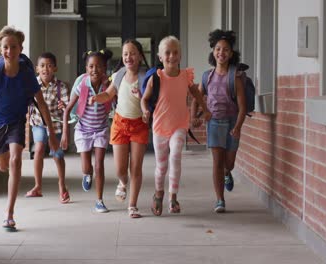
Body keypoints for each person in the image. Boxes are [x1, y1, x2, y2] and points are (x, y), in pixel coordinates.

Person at [0, 26, 58, 229]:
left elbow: (42, 104)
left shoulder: (27, 74)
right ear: (0, 49)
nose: (9, 51)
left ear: (20, 49)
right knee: (3, 166)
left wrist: (51, 134)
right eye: (5, 47)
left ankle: (9, 213)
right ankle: (9, 200)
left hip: (17, 121)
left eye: (13, 47)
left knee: (15, 160)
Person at [141, 36, 210, 216]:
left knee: (176, 155)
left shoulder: (185, 76)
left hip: (179, 124)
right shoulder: (157, 78)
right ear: (161, 57)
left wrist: (205, 109)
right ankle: (158, 194)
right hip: (160, 127)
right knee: (161, 166)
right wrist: (145, 111)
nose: (172, 56)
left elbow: (196, 92)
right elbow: (145, 99)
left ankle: (173, 197)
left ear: (180, 55)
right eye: (167, 53)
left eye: (175, 52)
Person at [89, 39, 149, 218]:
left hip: (139, 125)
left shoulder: (146, 77)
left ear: (139, 56)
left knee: (136, 168)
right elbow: (109, 94)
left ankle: (132, 205)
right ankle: (122, 183)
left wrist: (147, 112)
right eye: (125, 54)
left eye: (132, 53)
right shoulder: (118, 75)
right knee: (120, 170)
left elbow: (149, 100)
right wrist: (96, 98)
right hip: (120, 124)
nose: (128, 57)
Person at [192, 29, 246, 213]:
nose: (221, 53)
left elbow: (243, 107)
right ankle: (220, 200)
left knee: (228, 163)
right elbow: (196, 97)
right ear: (213, 52)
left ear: (231, 54)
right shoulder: (207, 76)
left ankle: (227, 172)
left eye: (225, 50)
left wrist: (238, 127)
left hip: (232, 123)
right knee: (217, 162)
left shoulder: (235, 77)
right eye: (218, 49)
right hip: (214, 122)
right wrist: (194, 117)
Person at [61, 49, 113, 213]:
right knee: (87, 167)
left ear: (104, 68)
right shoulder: (82, 85)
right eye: (91, 66)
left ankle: (99, 201)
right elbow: (68, 109)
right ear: (86, 68)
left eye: (98, 66)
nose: (94, 70)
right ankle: (87, 174)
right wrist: (64, 133)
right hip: (83, 130)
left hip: (101, 130)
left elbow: (116, 104)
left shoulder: (108, 86)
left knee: (99, 165)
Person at [25, 52, 70, 204]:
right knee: (38, 149)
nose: (46, 69)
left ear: (55, 68)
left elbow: (67, 108)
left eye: (50, 65)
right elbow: (27, 101)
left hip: (56, 126)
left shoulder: (61, 87)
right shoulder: (32, 85)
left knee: (57, 155)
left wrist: (64, 106)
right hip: (38, 123)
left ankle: (62, 185)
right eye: (42, 66)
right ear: (37, 69)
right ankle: (37, 186)